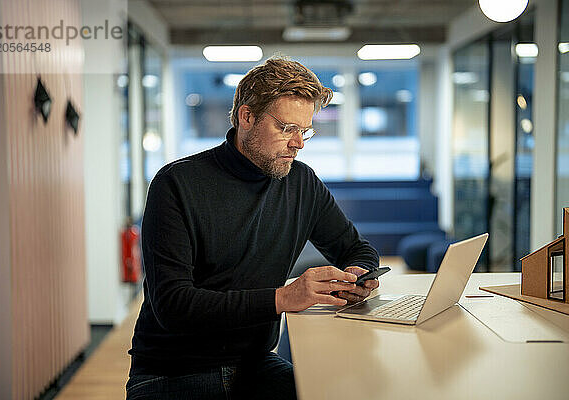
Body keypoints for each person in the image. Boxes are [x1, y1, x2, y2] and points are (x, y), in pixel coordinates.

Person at [127, 56, 381, 400]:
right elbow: (173, 306)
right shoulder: (177, 183)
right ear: (247, 117)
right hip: (173, 371)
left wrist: (358, 274)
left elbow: (358, 249)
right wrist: (283, 298)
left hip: (255, 363)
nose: (299, 143)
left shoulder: (300, 182)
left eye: (305, 130)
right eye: (287, 128)